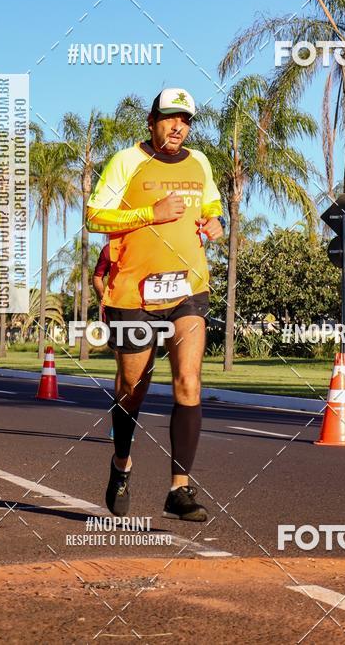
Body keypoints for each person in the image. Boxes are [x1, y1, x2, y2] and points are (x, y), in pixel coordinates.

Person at [86, 88, 224, 522]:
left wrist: (215, 220)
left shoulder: (199, 162)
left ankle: (179, 489)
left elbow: (212, 204)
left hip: (188, 289)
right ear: (151, 121)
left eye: (185, 119)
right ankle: (121, 464)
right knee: (133, 389)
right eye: (169, 118)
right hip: (134, 293)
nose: (177, 126)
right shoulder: (126, 161)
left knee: (188, 382)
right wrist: (151, 213)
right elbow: (94, 217)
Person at [92, 243, 116, 440]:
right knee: (126, 372)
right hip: (119, 313)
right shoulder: (110, 249)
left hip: (150, 313)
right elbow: (97, 276)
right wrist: (102, 296)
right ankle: (122, 424)